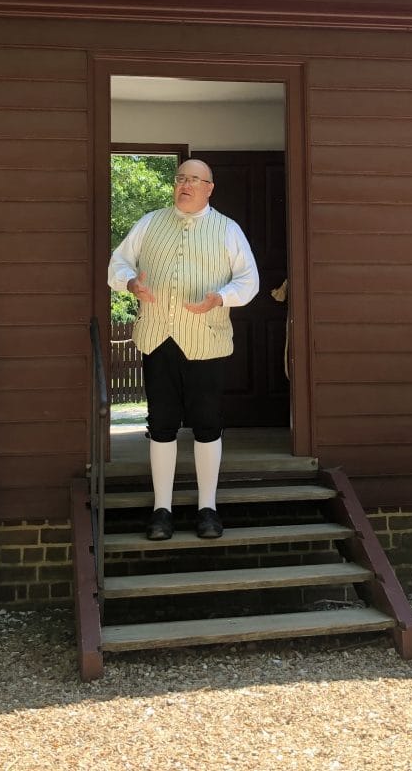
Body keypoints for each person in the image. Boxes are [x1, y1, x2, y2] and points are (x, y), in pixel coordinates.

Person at [108, 159, 259, 541]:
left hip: (206, 340)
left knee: (207, 424)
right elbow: (119, 263)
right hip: (157, 338)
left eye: (194, 180)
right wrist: (130, 285)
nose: (184, 185)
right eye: (180, 179)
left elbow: (249, 280)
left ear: (210, 187)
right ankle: (162, 510)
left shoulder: (228, 229)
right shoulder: (149, 223)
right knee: (160, 424)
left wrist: (220, 298)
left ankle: (207, 508)